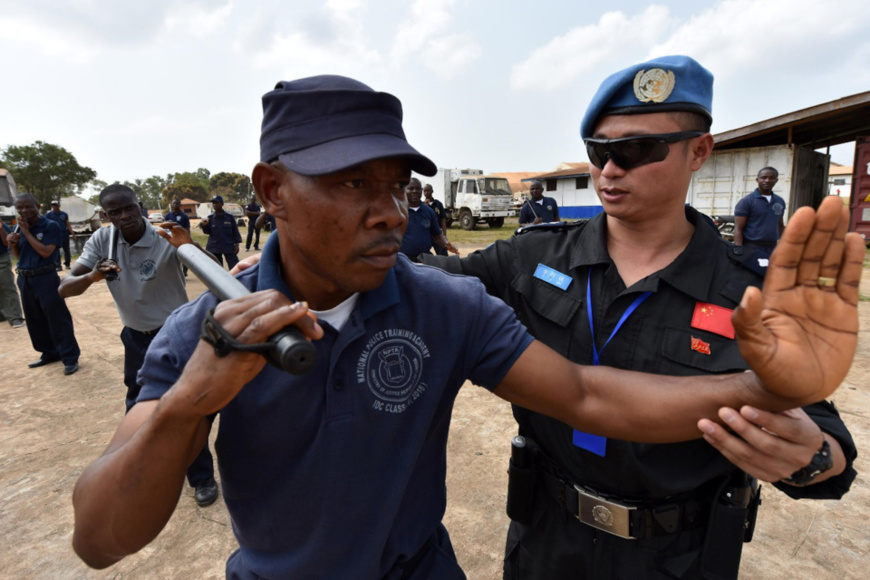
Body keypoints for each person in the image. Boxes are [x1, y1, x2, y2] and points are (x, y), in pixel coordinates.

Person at [70, 75, 862, 579]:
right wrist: (186, 406)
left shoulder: (439, 308)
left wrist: (767, 385)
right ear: (271, 190)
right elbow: (101, 541)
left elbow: (587, 394)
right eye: (351, 184)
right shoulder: (200, 333)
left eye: (396, 186)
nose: (388, 212)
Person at [423, 55, 857, 580]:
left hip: (676, 555)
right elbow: (422, 279)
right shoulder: (532, 259)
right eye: (598, 152)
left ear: (699, 151)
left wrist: (813, 455)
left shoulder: (748, 291)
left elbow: (823, 442)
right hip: (546, 540)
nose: (609, 169)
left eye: (635, 149)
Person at [58, 185, 220, 507]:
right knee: (138, 407)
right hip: (134, 336)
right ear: (105, 215)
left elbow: (215, 272)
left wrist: (189, 247)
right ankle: (145, 471)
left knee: (185, 409)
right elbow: (64, 289)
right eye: (114, 212)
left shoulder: (165, 236)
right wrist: (92, 276)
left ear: (140, 206)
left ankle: (201, 477)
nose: (124, 216)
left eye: (129, 208)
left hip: (175, 336)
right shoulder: (102, 240)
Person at [7, 193, 80, 375]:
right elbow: (19, 256)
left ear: (38, 206)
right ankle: (49, 353)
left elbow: (46, 252)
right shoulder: (18, 227)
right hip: (25, 278)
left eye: (28, 207)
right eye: (20, 208)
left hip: (45, 277)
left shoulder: (50, 225)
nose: (24, 211)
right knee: (35, 319)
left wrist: (25, 232)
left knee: (57, 318)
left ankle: (70, 357)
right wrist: (13, 243)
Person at [399, 177, 457, 261]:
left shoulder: (429, 211)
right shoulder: (398, 211)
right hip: (404, 260)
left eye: (418, 189)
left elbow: (437, 235)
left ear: (421, 191)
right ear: (404, 191)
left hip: (424, 259)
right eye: (411, 189)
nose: (414, 191)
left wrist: (446, 245)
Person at [734, 167, 786, 254]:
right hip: (751, 247)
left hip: (772, 247)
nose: (767, 180)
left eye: (771, 178)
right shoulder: (747, 201)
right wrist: (738, 249)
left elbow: (780, 225)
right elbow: (738, 228)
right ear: (757, 180)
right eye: (763, 177)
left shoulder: (780, 201)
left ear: (776, 180)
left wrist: (785, 245)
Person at [198, 194, 241, 269]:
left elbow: (235, 231)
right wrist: (204, 225)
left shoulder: (229, 217)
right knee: (217, 269)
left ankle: (235, 280)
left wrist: (237, 244)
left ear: (222, 204)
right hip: (215, 247)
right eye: (213, 203)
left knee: (235, 267)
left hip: (228, 245)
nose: (214, 205)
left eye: (217, 203)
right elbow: (207, 232)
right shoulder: (210, 218)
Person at [0, 221, 25, 328]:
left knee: (7, 285)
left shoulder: (2, 225)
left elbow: (7, 243)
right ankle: (2, 315)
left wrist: (0, 228)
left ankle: (15, 317)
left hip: (1, 257)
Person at [44, 199, 77, 270]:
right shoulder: (48, 215)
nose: (55, 207)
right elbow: (45, 225)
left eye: (56, 205)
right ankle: (58, 265)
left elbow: (68, 224)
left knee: (66, 249)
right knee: (56, 250)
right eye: (53, 205)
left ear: (59, 205)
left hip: (64, 233)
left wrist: (73, 234)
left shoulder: (64, 214)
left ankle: (67, 264)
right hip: (54, 234)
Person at [162, 198, 191, 276]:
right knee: (171, 255)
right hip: (171, 239)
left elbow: (187, 228)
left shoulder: (184, 216)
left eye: (177, 203)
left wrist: (188, 239)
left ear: (180, 205)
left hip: (182, 238)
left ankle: (184, 272)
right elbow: (164, 227)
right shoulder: (168, 215)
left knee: (184, 256)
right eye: (174, 203)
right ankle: (173, 272)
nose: (175, 205)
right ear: (172, 204)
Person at [423, 183, 449, 256]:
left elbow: (442, 219)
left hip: (437, 234)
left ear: (432, 191)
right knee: (424, 255)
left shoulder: (438, 204)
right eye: (424, 191)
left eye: (428, 190)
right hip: (426, 234)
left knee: (443, 254)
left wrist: (444, 235)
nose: (426, 192)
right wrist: (425, 207)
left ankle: (445, 266)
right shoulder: (421, 205)